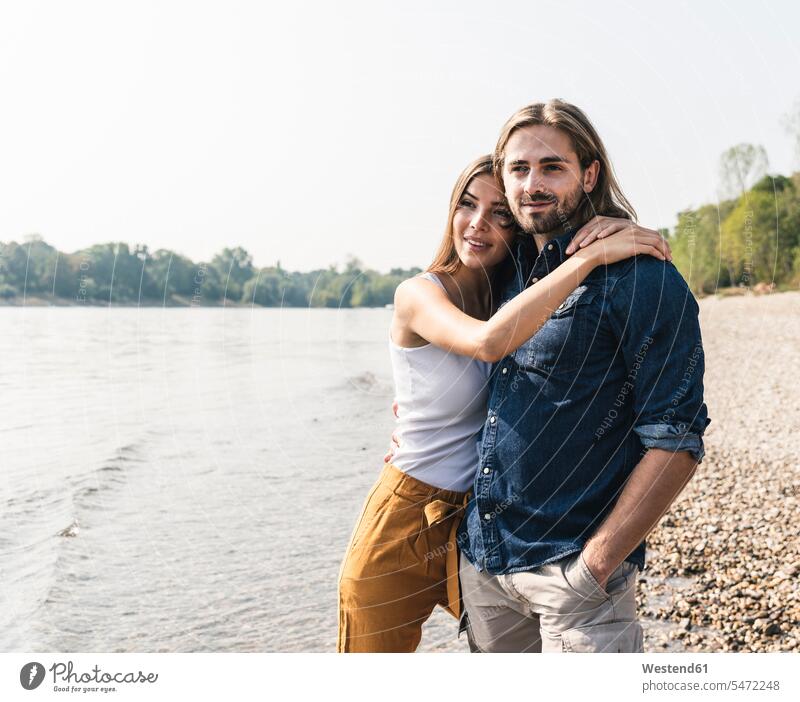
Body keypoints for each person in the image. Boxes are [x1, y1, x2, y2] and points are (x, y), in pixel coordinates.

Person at [337, 153, 672, 653]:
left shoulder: (515, 295)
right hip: (404, 516)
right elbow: (489, 344)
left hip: (478, 520)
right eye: (467, 205)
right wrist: (588, 259)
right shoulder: (418, 294)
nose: (478, 224)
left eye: (499, 213)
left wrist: (602, 230)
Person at [457, 99, 711, 653]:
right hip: (485, 566)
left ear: (589, 173)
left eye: (553, 167)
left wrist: (593, 568)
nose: (533, 184)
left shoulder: (642, 279)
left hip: (573, 576)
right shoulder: (505, 268)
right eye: (519, 169)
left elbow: (677, 438)